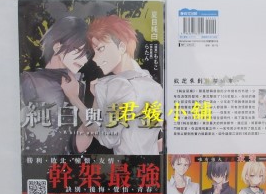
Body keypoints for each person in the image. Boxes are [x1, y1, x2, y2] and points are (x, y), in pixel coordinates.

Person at [87, 15, 163, 155]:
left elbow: (108, 139)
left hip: (127, 165)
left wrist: (82, 100)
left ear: (121, 47)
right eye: (94, 51)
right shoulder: (154, 85)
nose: (95, 59)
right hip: (152, 163)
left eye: (101, 49)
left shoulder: (118, 85)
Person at [20, 16, 91, 155]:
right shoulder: (29, 81)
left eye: (86, 54)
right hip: (35, 161)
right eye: (78, 51)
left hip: (68, 164)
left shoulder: (78, 85)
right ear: (57, 46)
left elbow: (81, 139)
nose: (84, 60)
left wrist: (75, 98)